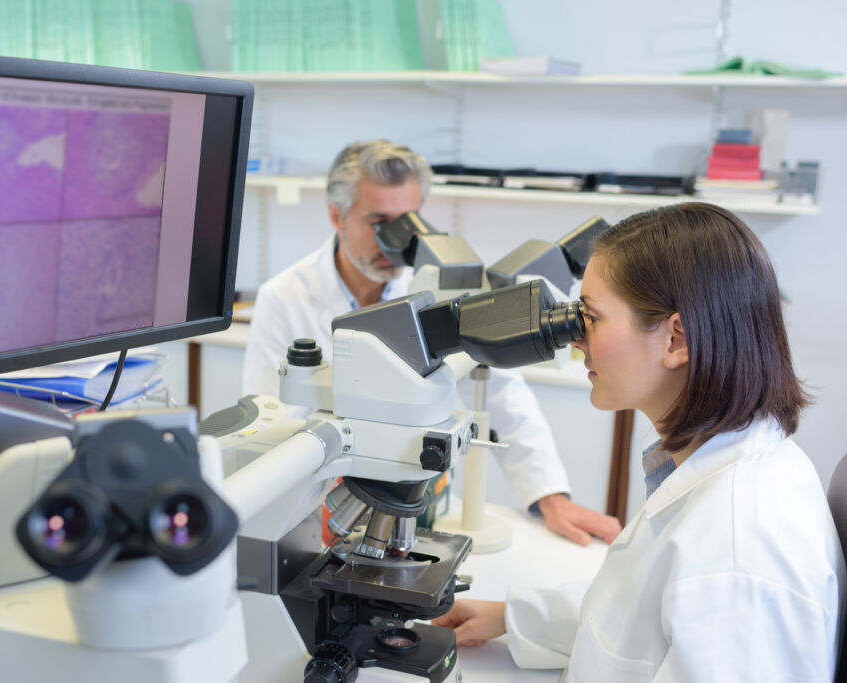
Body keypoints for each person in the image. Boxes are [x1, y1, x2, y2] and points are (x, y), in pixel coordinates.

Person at [433, 202, 845, 680]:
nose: (575, 339)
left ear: (676, 341)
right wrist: (512, 617)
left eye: (589, 317)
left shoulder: (739, 554)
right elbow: (636, 612)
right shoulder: (709, 463)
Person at [242, 139, 620, 546]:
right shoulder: (284, 296)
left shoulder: (435, 288)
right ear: (336, 215)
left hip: (419, 501)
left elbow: (504, 397)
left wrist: (550, 496)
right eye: (379, 223)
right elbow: (271, 423)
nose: (394, 242)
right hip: (319, 503)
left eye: (406, 222)